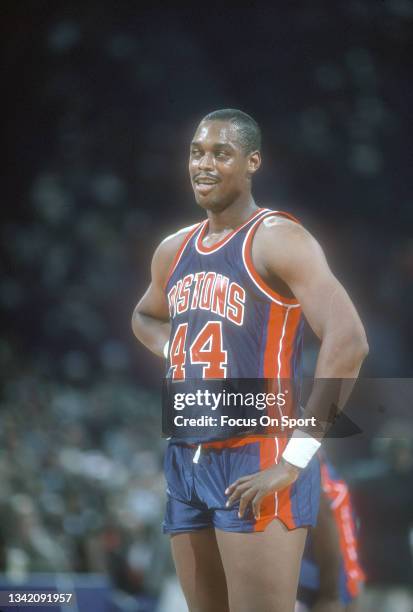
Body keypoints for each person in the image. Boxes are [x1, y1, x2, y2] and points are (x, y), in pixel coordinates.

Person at [131, 109, 368, 612]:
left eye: (222, 153)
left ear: (252, 162)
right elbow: (145, 317)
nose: (204, 163)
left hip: (258, 452)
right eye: (197, 152)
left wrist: (293, 461)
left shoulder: (279, 238)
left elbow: (348, 342)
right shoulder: (172, 250)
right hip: (187, 452)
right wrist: (174, 347)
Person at [296, 454, 365, 612]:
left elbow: (328, 529)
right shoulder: (330, 473)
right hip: (335, 582)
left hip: (315, 586)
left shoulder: (308, 468)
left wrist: (332, 594)